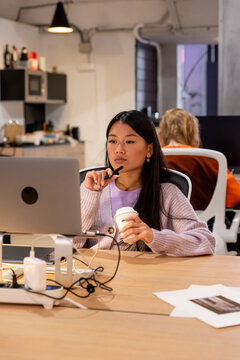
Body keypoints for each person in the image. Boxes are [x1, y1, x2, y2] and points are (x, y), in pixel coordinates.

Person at [75, 110, 215, 256]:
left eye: (129, 141)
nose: (119, 149)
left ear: (149, 149)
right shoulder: (91, 191)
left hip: (145, 277)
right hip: (96, 275)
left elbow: (206, 242)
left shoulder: (167, 193)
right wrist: (90, 195)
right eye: (113, 141)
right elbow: (64, 247)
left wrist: (154, 237)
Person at [158, 108, 240, 209]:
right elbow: (236, 196)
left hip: (160, 221)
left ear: (162, 132)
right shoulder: (211, 159)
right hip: (204, 222)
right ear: (192, 131)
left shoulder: (152, 158)